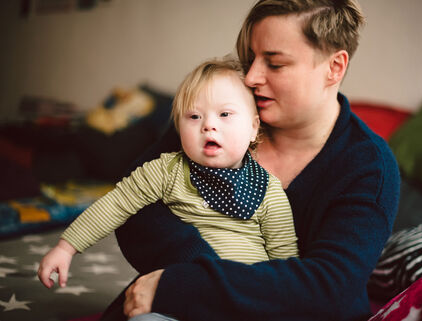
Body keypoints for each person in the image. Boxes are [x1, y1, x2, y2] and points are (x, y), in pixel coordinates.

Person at [103, 0, 401, 320]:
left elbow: (329, 287)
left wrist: (191, 284)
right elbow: (134, 204)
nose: (251, 77)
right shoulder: (220, 115)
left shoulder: (368, 167)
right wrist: (203, 274)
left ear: (334, 68)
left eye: (274, 64)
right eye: (250, 59)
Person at [37, 57, 299, 289]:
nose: (209, 125)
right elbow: (115, 203)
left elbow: (286, 260)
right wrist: (66, 248)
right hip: (181, 292)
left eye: (225, 114)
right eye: (194, 117)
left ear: (254, 128)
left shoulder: (268, 190)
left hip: (244, 294)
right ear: (177, 126)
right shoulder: (167, 170)